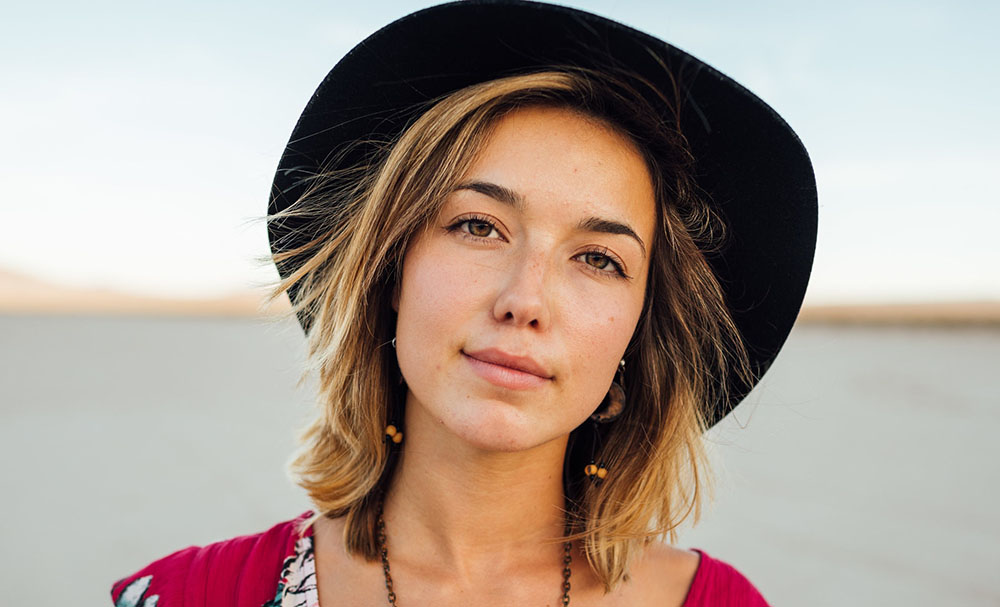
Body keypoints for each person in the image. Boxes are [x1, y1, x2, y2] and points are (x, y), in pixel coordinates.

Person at [110, 2, 816, 606]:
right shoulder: (188, 593)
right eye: (477, 226)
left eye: (598, 259)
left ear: (639, 333)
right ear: (390, 270)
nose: (524, 300)